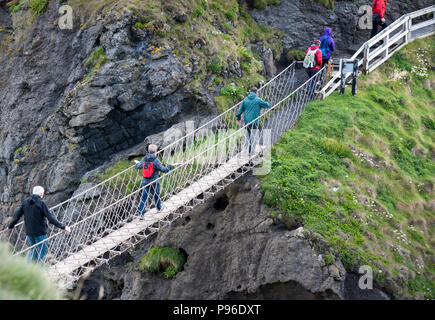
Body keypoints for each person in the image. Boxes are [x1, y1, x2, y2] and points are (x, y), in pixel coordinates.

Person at [8, 186, 71, 264]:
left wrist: (11, 225)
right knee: (42, 253)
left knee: (33, 250)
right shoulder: (41, 203)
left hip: (29, 232)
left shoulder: (25, 202)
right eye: (43, 194)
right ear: (41, 194)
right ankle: (40, 272)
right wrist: (63, 227)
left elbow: (17, 215)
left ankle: (27, 270)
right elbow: (50, 218)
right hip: (40, 233)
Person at [134, 144, 175, 216]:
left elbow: (139, 166)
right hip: (154, 181)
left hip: (145, 181)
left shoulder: (144, 158)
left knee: (144, 197)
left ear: (148, 151)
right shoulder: (156, 160)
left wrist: (137, 163)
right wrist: (170, 165)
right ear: (156, 152)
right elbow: (164, 170)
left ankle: (141, 214)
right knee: (156, 194)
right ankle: (159, 208)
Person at [236, 87, 270, 156]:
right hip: (254, 121)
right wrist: (267, 103)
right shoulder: (258, 100)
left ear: (250, 92)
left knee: (248, 136)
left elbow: (240, 110)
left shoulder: (245, 100)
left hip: (247, 122)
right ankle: (251, 152)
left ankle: (248, 150)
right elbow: (266, 105)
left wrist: (238, 118)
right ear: (256, 92)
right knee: (253, 137)